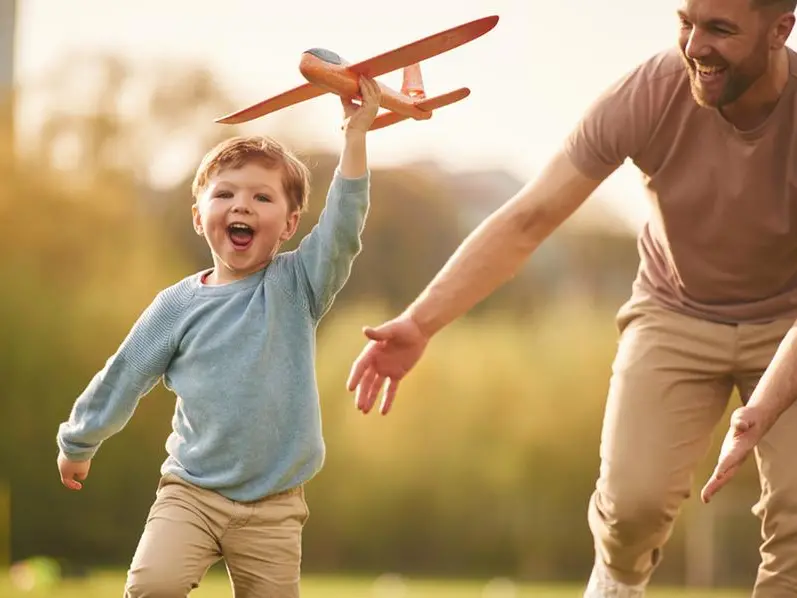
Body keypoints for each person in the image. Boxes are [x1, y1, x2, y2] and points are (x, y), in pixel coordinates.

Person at [346, 1, 797, 596]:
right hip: (675, 313)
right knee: (630, 509)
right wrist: (421, 322)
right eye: (686, 21)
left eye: (720, 29)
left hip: (788, 325)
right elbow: (530, 216)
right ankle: (616, 582)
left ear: (780, 29)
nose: (694, 46)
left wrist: (765, 406)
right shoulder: (650, 92)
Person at [55, 77, 382, 597]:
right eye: (225, 194)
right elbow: (126, 372)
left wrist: (355, 135)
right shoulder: (176, 306)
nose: (242, 206)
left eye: (262, 197)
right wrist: (80, 438)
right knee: (151, 588)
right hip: (191, 494)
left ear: (291, 222)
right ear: (198, 216)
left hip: (274, 506)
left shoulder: (297, 285)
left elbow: (344, 227)